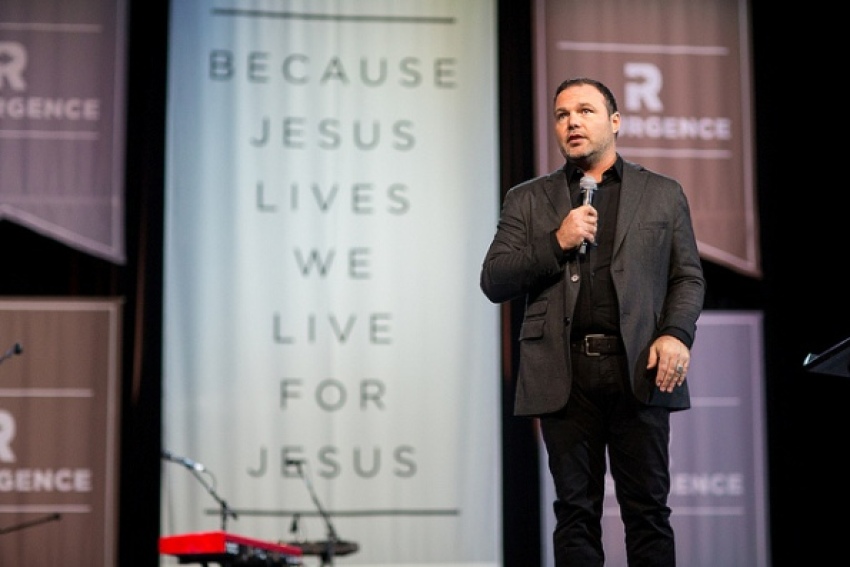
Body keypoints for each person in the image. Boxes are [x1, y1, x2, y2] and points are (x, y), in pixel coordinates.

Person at [480, 77, 705, 566]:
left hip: (639, 368)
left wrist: (675, 333)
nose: (572, 122)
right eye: (562, 115)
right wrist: (556, 241)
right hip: (564, 373)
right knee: (575, 515)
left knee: (647, 512)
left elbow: (687, 277)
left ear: (614, 121)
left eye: (584, 111)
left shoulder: (662, 194)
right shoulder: (528, 199)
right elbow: (494, 279)